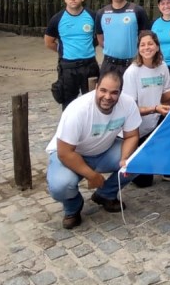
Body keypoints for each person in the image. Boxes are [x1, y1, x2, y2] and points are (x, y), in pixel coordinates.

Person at [45, 69, 141, 229]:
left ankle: (105, 194)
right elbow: (65, 152)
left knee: (137, 161)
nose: (108, 97)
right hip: (72, 155)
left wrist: (125, 158)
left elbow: (132, 136)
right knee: (60, 186)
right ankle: (73, 207)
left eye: (114, 92)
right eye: (103, 90)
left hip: (104, 151)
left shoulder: (128, 103)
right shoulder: (77, 110)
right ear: (96, 87)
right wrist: (92, 176)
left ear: (120, 92)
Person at [122, 31, 170, 187]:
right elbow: (130, 110)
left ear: (157, 46)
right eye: (142, 45)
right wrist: (154, 108)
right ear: (138, 49)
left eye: (150, 44)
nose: (146, 48)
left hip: (155, 121)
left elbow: (165, 96)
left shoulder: (162, 66)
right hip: (136, 129)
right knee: (144, 182)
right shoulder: (132, 72)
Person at [44, 0, 100, 110]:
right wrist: (64, 51)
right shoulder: (57, 19)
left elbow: (99, 37)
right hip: (68, 67)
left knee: (93, 102)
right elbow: (49, 42)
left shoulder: (93, 16)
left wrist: (86, 47)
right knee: (68, 104)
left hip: (90, 65)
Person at [95, 0, 150, 76]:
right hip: (108, 64)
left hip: (132, 63)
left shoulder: (137, 11)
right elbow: (100, 39)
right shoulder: (101, 13)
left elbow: (146, 37)